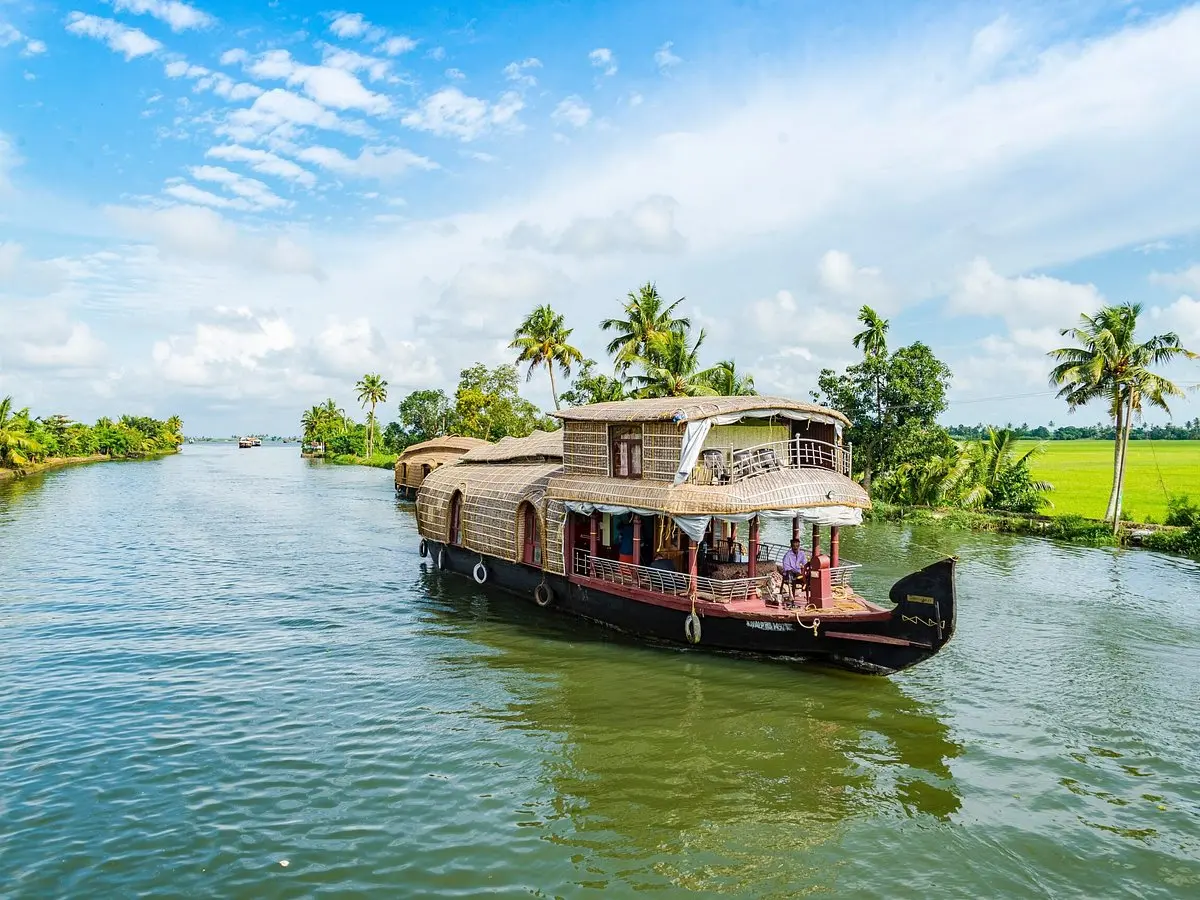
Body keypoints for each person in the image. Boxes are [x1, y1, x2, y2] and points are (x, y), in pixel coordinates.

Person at [781, 538, 808, 605]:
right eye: (794, 546)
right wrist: (794, 571)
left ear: (799, 546)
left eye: (797, 546)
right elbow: (786, 567)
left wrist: (803, 567)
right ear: (791, 546)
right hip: (789, 573)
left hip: (798, 573)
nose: (796, 548)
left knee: (809, 576)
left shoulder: (802, 553)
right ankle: (791, 595)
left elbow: (805, 563)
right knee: (791, 575)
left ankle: (808, 595)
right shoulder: (788, 555)